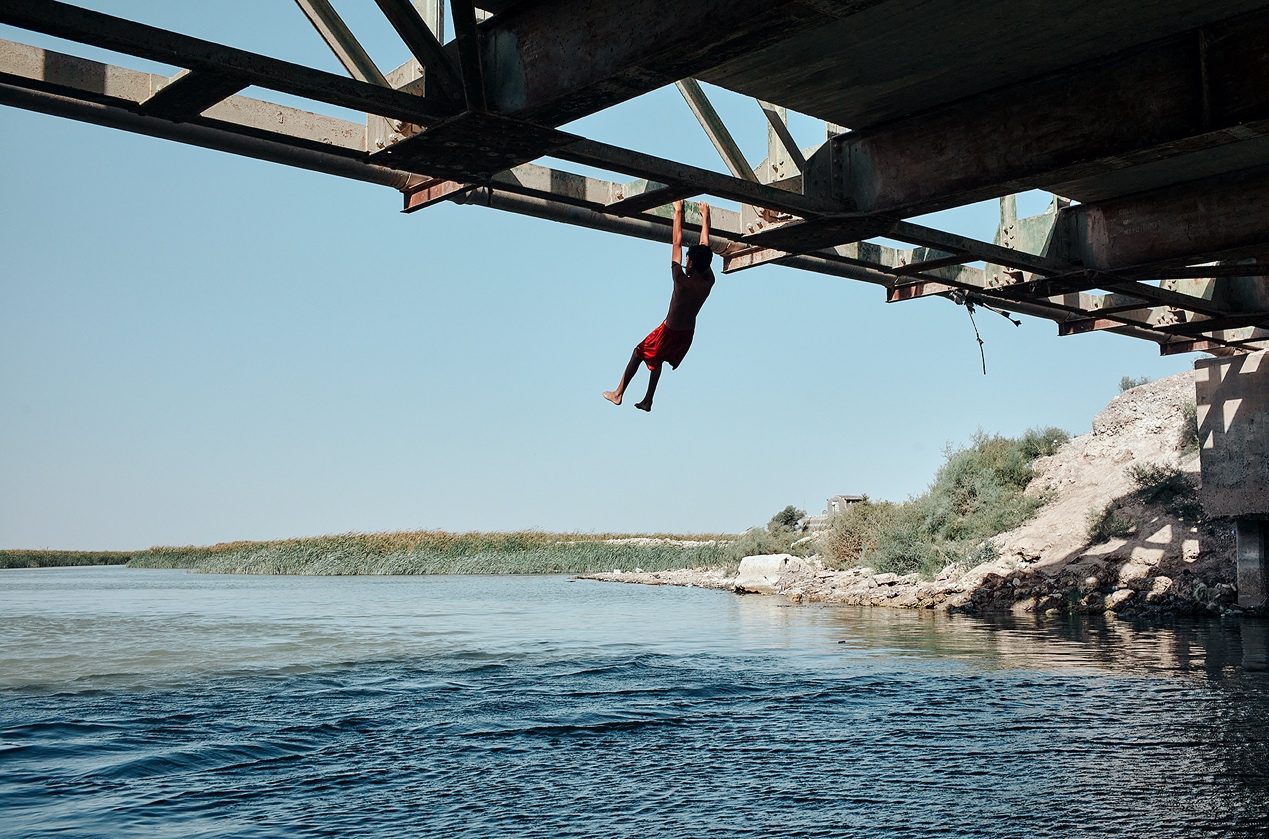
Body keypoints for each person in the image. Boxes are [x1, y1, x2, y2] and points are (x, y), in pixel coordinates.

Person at [603, 200, 714, 412]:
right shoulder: (708, 282)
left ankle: (618, 393)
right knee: (658, 359)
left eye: (688, 259)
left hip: (669, 331)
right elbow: (705, 249)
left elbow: (676, 243)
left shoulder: (681, 281)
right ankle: (648, 400)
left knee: (638, 352)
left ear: (689, 263)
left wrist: (678, 211)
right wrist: (704, 217)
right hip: (687, 335)